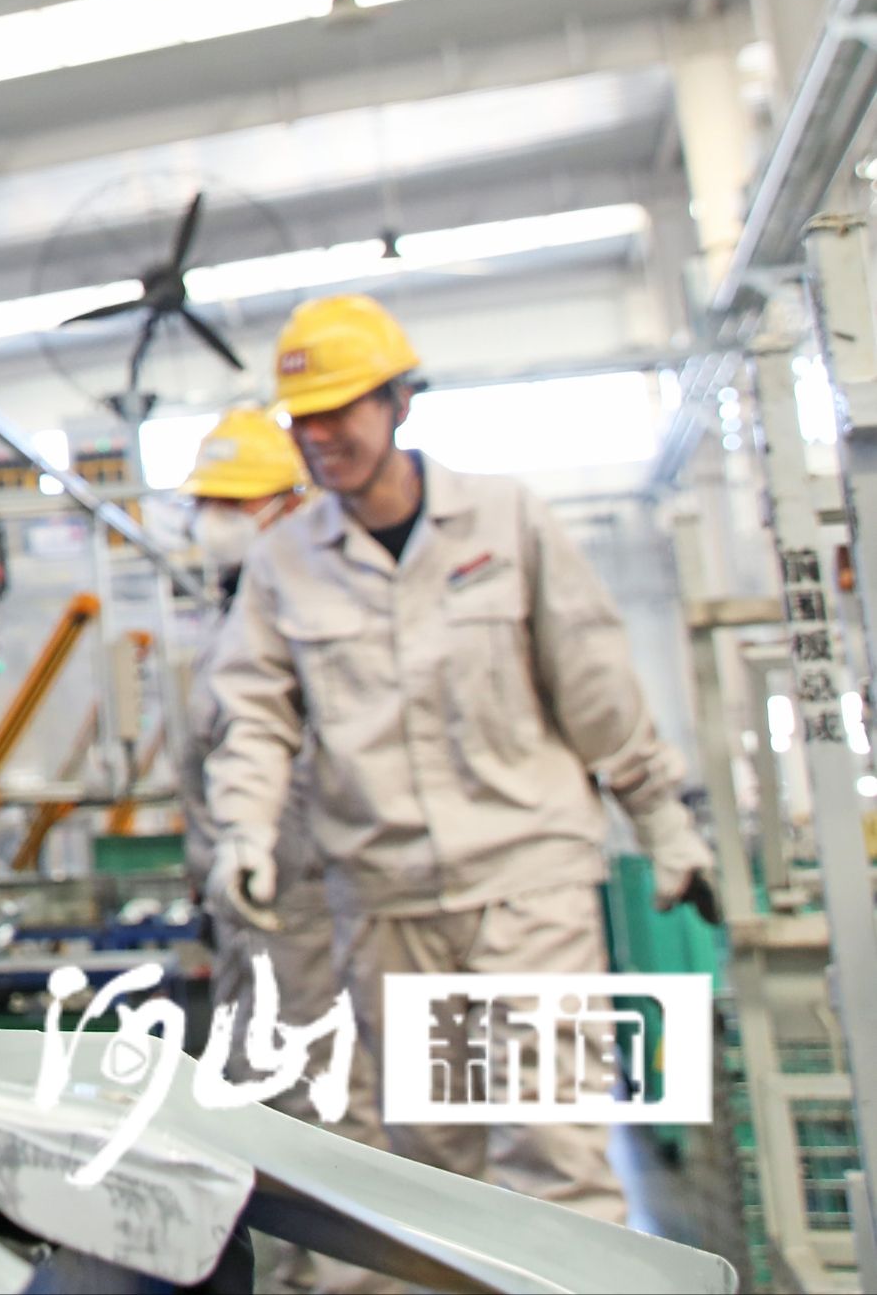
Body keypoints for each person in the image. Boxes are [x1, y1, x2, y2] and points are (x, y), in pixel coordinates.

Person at [203, 294, 714, 1224]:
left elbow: (594, 685)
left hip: (528, 887)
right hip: (389, 909)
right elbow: (255, 719)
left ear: (400, 402)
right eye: (304, 419)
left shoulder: (505, 523)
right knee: (443, 1176)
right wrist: (245, 832)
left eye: (341, 412)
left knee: (555, 1155)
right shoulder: (285, 565)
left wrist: (663, 821)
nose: (320, 437)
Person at [171, 410, 337, 1086]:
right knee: (257, 1079)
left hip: (296, 895)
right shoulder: (237, 607)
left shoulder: (313, 607)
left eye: (233, 503)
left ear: (290, 504)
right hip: (244, 897)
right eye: (206, 503)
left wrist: (260, 853)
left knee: (305, 1091)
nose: (214, 520)